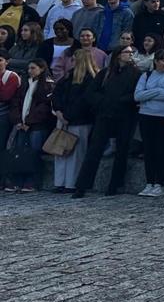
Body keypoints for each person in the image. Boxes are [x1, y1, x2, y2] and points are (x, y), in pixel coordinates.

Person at [71, 43, 139, 198]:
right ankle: (82, 186)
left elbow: (136, 94)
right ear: (118, 55)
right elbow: (91, 93)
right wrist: (102, 102)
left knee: (121, 151)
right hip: (104, 115)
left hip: (124, 116)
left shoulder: (135, 73)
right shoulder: (105, 73)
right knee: (94, 150)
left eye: (131, 52)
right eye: (126, 52)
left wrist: (122, 101)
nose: (130, 55)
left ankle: (114, 185)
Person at [133, 50, 164, 197]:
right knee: (149, 150)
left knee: (161, 149)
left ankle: (159, 183)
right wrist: (158, 90)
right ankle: (149, 182)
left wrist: (149, 94)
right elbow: (137, 95)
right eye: (162, 60)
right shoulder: (146, 75)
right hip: (146, 116)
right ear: (155, 62)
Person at [49, 47, 98, 193]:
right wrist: (59, 112)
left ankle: (72, 183)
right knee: (60, 151)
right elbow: (56, 94)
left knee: (76, 154)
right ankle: (60, 182)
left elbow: (84, 102)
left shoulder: (90, 79)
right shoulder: (68, 77)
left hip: (79, 120)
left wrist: (67, 116)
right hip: (63, 117)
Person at [4, 58, 53, 192]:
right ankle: (18, 181)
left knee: (34, 153)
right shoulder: (25, 83)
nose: (30, 71)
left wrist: (30, 122)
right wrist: (18, 120)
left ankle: (32, 182)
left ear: (41, 69)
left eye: (33, 68)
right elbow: (16, 103)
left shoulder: (47, 85)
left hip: (37, 126)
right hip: (21, 124)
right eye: (29, 68)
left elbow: (44, 107)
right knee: (20, 153)